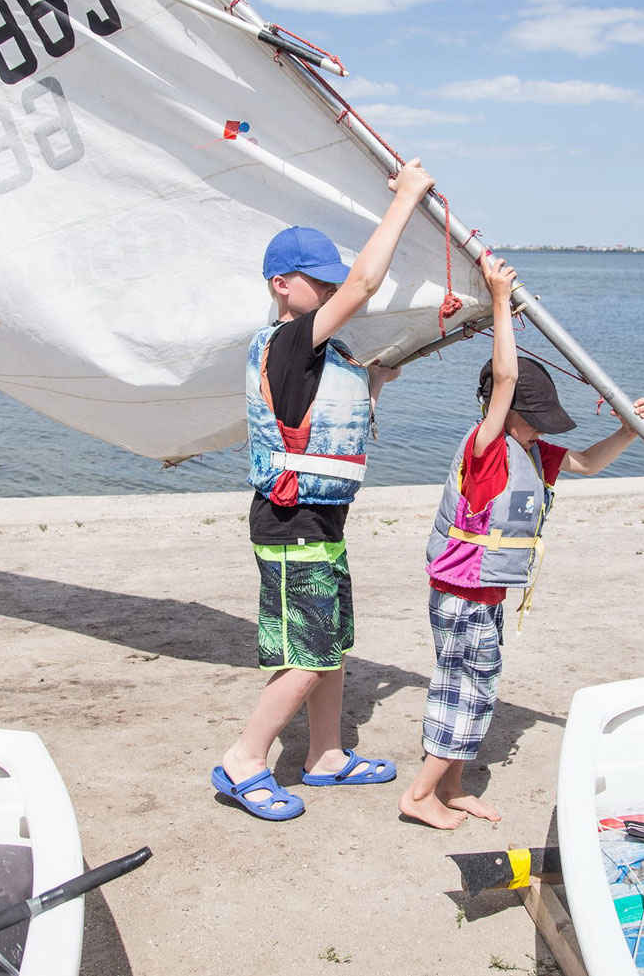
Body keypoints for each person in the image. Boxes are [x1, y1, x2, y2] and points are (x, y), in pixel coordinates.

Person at [210, 159, 437, 822]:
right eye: (323, 282)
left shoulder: (320, 358)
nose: (338, 290)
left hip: (323, 523)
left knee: (332, 644)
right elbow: (367, 280)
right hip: (290, 525)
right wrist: (408, 198)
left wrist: (387, 374)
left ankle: (326, 755)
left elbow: (335, 406)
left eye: (334, 284)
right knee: (306, 656)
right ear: (282, 286)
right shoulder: (289, 341)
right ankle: (245, 758)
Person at [399, 252, 644, 829]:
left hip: (486, 593)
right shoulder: (486, 446)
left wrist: (628, 430)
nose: (541, 426)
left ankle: (453, 785)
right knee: (468, 685)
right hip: (462, 590)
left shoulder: (534, 452)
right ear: (503, 409)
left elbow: (588, 462)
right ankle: (418, 795)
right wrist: (499, 302)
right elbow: (508, 378)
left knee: (470, 681)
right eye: (533, 416)